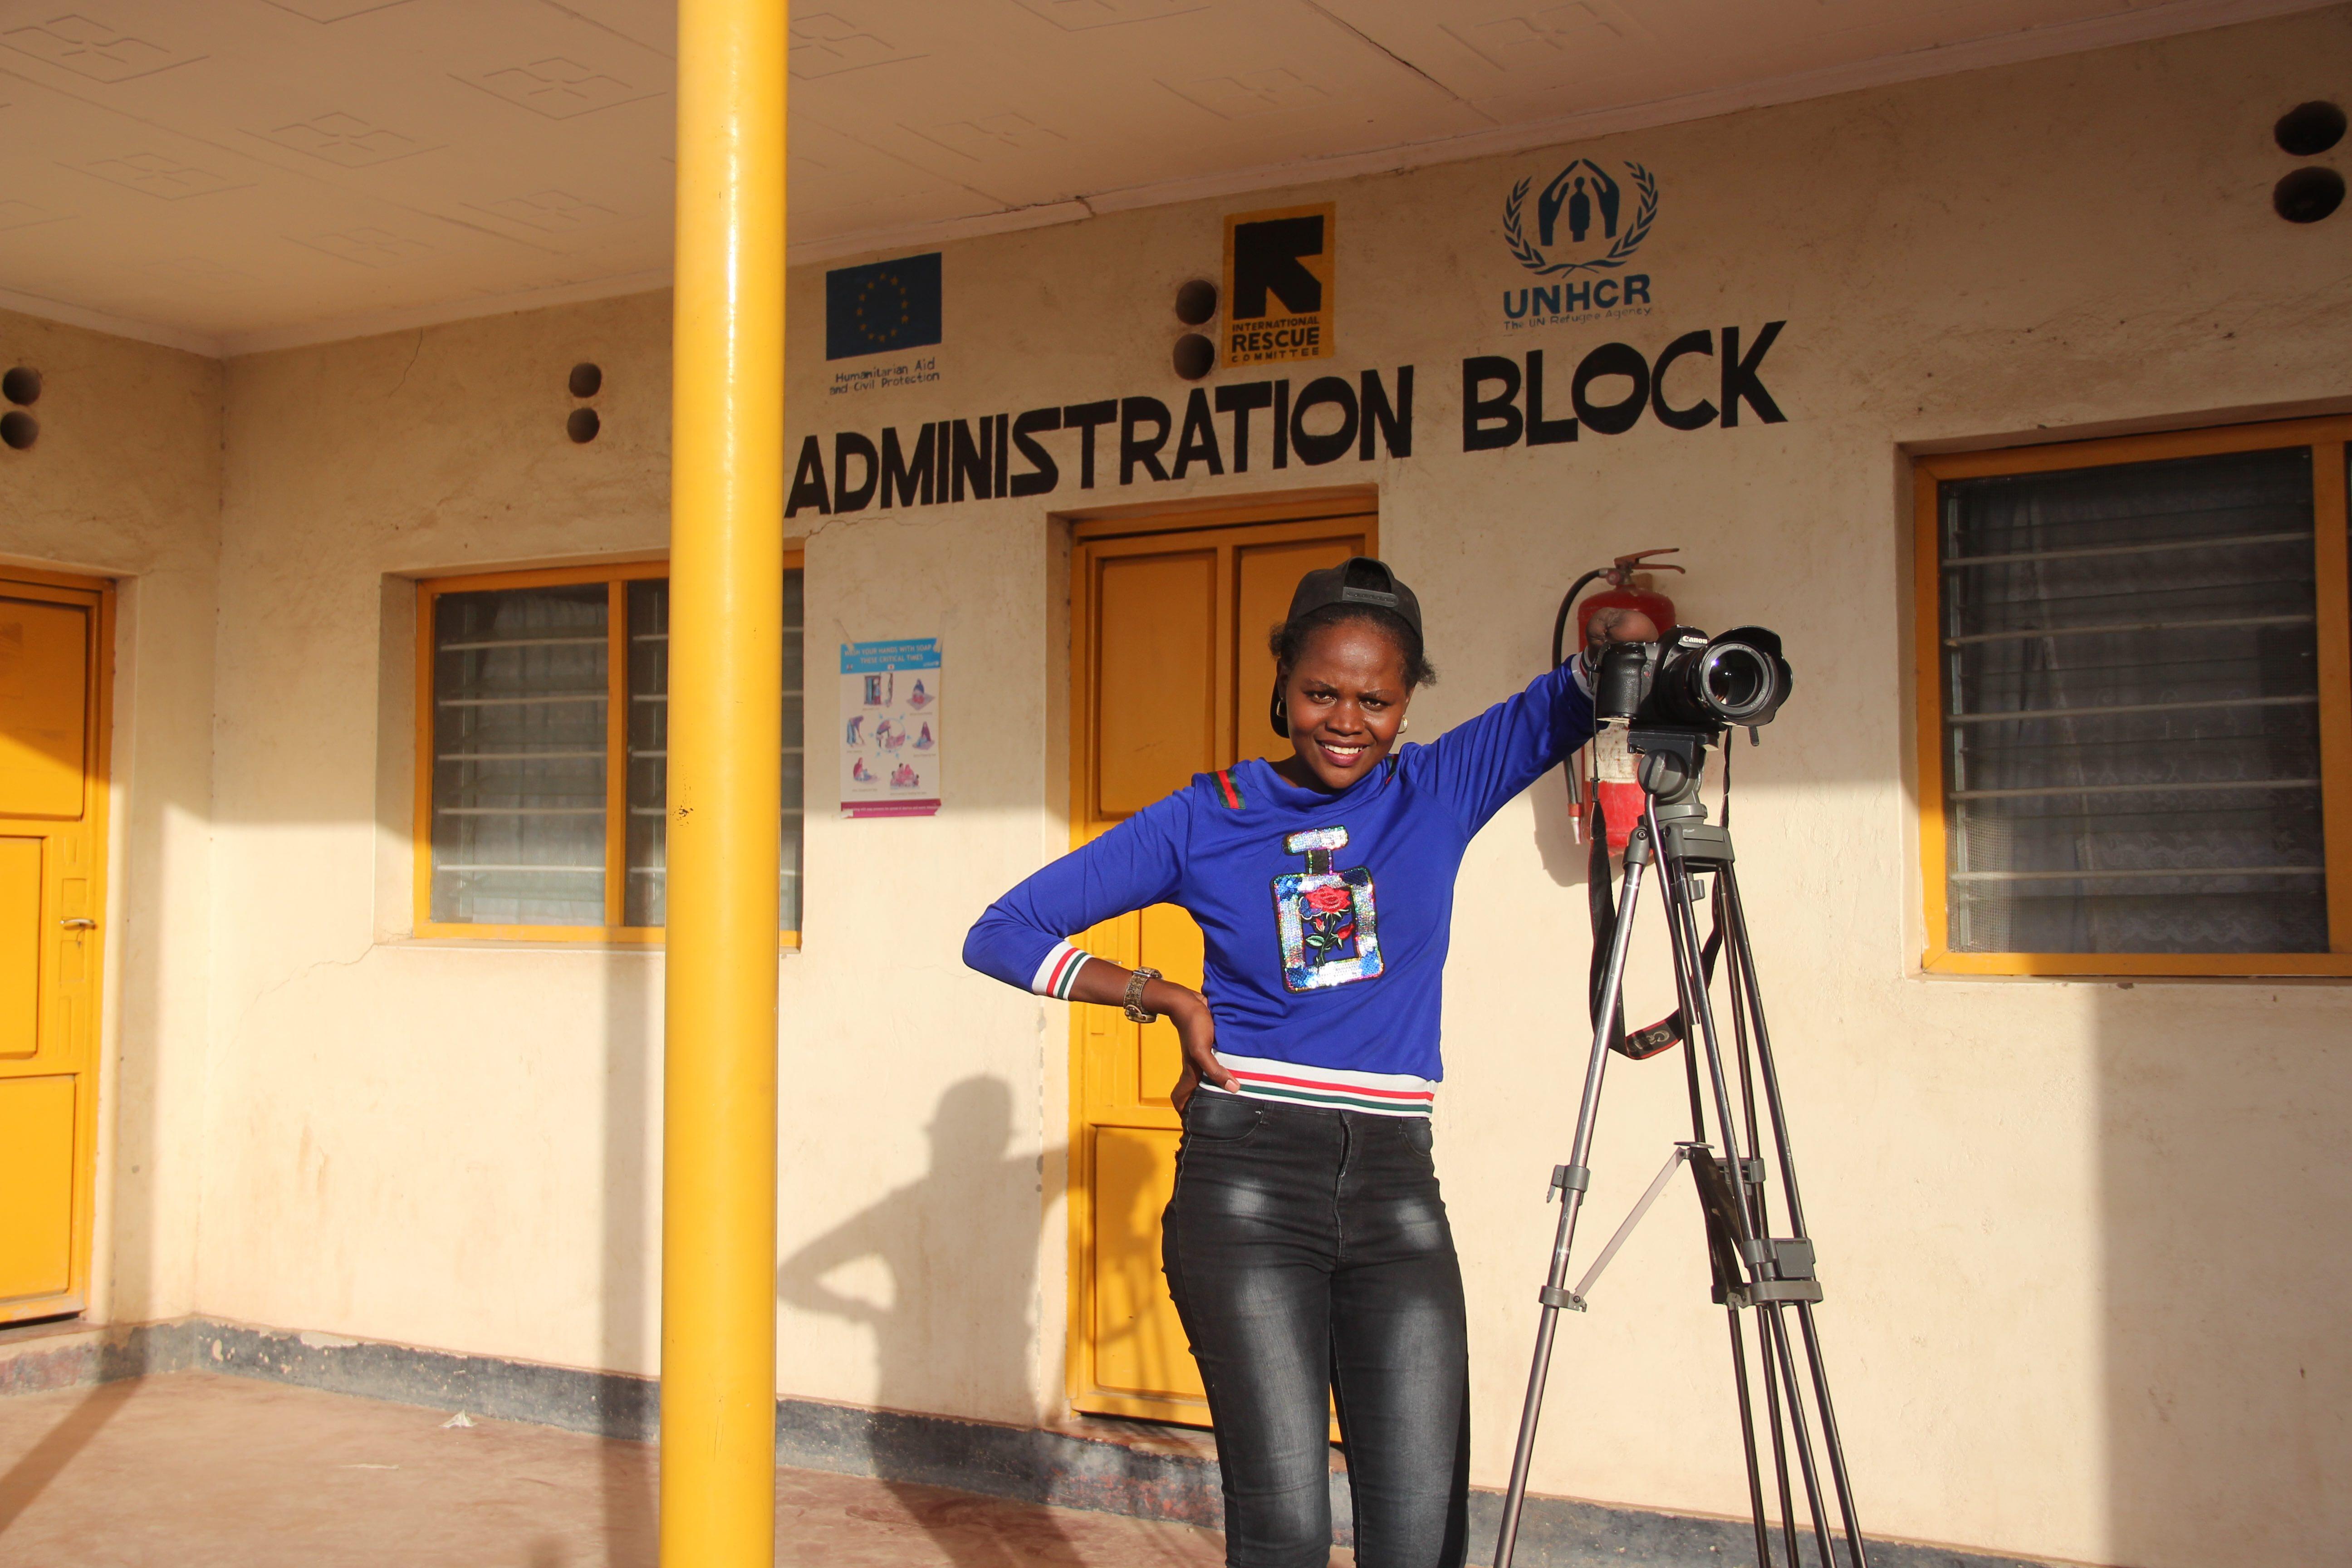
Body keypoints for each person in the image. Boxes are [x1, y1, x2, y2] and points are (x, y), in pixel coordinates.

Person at [963, 558, 1650, 1568]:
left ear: (1407, 703)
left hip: (1395, 1191)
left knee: (1419, 1533)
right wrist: (1163, 996)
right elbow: (1004, 930)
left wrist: (1631, 634)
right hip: (1246, 1191)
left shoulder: (1437, 790)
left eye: (1375, 699)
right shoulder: (1209, 816)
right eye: (1322, 691)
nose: (1346, 719)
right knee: (1284, 1531)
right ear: (1281, 683)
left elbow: (1586, 682)